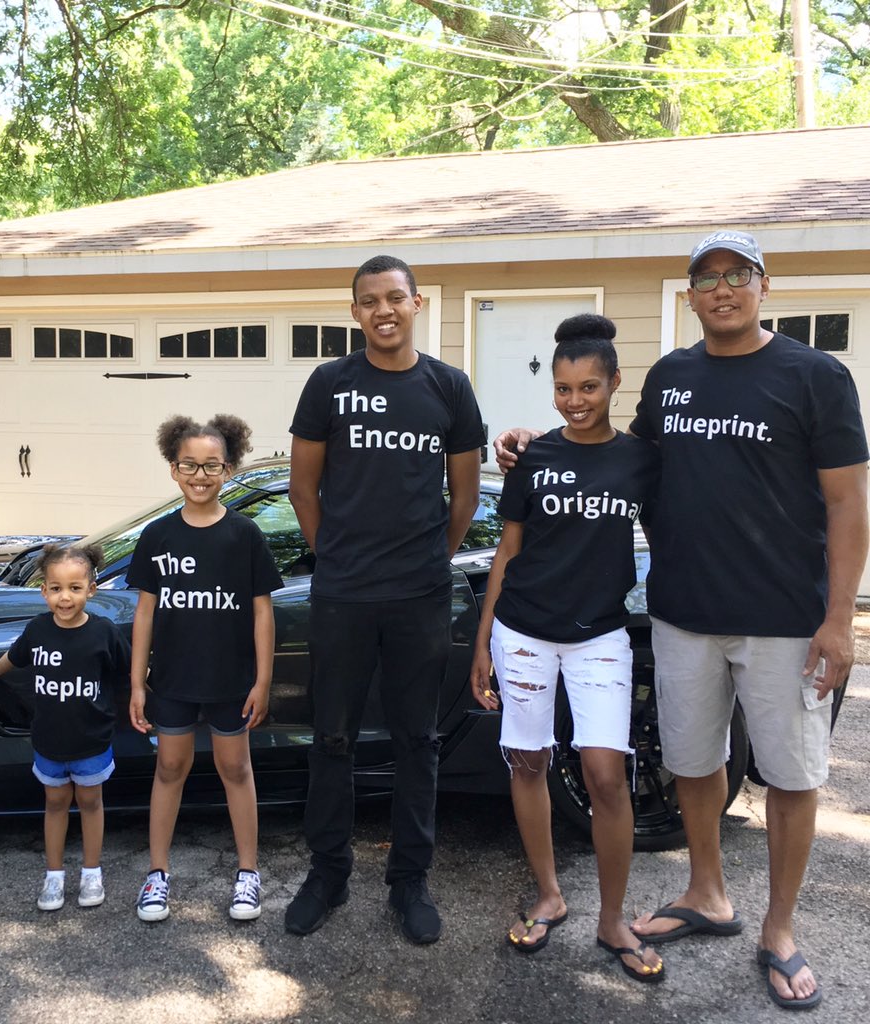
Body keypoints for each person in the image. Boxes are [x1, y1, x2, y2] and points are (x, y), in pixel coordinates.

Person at [495, 230, 868, 1010]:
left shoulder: (815, 375)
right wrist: (535, 440)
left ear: (764, 285)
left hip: (783, 618)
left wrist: (840, 619)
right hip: (682, 613)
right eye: (706, 278)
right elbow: (617, 452)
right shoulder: (672, 377)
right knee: (695, 764)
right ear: (691, 295)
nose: (722, 289)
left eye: (737, 274)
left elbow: (847, 502)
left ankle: (780, 930)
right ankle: (707, 893)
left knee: (791, 776)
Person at [285, 254, 485, 944]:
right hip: (343, 594)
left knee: (417, 740)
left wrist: (431, 559)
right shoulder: (329, 383)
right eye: (369, 301)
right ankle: (327, 874)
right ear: (355, 312)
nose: (383, 311)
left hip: (420, 595)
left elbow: (464, 497)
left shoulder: (449, 387)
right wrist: (336, 558)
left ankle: (410, 881)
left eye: (395, 297)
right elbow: (302, 489)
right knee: (331, 738)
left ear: (417, 303)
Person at [471, 314, 663, 983]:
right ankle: (549, 894)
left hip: (599, 636)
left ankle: (613, 920)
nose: (575, 400)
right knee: (528, 760)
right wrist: (482, 643)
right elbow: (507, 552)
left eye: (588, 387)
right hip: (522, 631)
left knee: (606, 774)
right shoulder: (533, 456)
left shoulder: (640, 459)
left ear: (614, 383)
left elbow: (671, 534)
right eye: (562, 388)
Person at [127, 413, 283, 924]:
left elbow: (262, 611)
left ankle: (248, 873)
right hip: (172, 680)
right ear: (173, 468)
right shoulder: (157, 535)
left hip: (230, 680)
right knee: (169, 769)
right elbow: (145, 612)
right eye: (189, 465)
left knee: (235, 769)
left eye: (211, 465)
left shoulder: (244, 535)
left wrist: (263, 680)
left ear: (229, 468)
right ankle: (157, 873)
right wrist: (137, 682)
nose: (200, 475)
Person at [0, 543, 130, 912]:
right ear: (44, 590)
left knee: (91, 803)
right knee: (55, 803)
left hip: (92, 741)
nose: (65, 597)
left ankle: (91, 872)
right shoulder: (38, 630)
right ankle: (54, 875)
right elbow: (13, 658)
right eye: (57, 588)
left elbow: (131, 670)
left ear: (91, 590)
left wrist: (148, 690)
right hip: (49, 741)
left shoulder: (104, 633)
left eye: (75, 588)